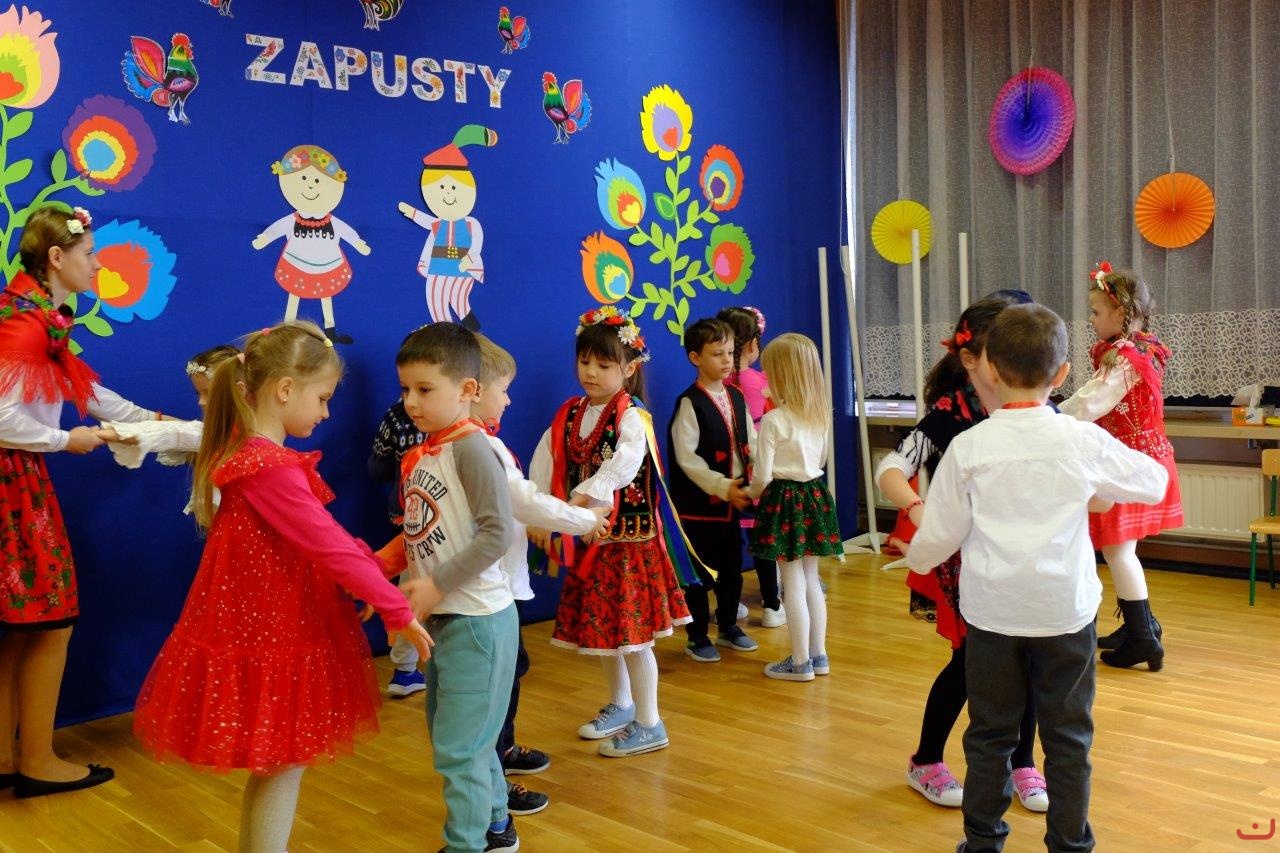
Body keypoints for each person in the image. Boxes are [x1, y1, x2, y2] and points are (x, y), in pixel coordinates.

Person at [133, 321, 432, 852]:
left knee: (278, 764)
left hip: (278, 623)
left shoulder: (252, 455)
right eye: (323, 398)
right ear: (285, 389)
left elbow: (323, 539)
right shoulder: (267, 466)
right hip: (276, 631)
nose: (326, 413)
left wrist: (376, 569)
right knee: (282, 763)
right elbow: (327, 544)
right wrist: (395, 607)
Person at [907, 303, 1168, 853]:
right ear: (1063, 373)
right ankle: (1070, 845)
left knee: (989, 735)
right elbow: (1153, 482)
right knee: (1068, 739)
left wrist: (917, 558)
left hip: (993, 617)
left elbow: (939, 536)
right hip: (1064, 614)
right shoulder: (1079, 440)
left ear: (990, 369)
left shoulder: (969, 447)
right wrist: (1097, 484)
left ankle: (983, 843)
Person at [0, 205, 164, 798]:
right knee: (50, 621)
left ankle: (7, 755)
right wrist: (64, 440)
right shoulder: (25, 325)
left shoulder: (33, 317)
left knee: (20, 627)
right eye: (89, 254)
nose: (96, 265)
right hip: (13, 482)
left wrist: (153, 421)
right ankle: (38, 760)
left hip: (18, 476)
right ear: (56, 258)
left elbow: (85, 389)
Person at [875, 298, 1048, 812]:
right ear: (970, 359)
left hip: (1025, 559)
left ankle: (1023, 761)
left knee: (1028, 660)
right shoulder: (949, 415)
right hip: (969, 564)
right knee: (971, 662)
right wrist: (919, 509)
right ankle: (926, 759)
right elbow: (892, 467)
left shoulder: (1038, 406)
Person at [376, 322, 520, 853]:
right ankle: (497, 826)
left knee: (460, 748)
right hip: (447, 620)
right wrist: (378, 565)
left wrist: (435, 586)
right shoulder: (426, 452)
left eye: (424, 389)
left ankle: (467, 844)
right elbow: (422, 528)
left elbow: (496, 534)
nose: (410, 402)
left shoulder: (473, 449)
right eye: (405, 389)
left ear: (467, 390)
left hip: (477, 622)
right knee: (460, 737)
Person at [528, 306, 691, 758]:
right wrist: (538, 511)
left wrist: (575, 502)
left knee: (633, 638)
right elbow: (546, 459)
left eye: (603, 365)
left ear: (629, 368)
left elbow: (623, 465)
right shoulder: (569, 413)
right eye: (584, 362)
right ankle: (622, 705)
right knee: (608, 633)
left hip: (629, 546)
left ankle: (650, 722)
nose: (590, 372)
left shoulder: (632, 416)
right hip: (593, 543)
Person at [472, 332, 609, 817]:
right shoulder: (481, 448)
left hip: (500, 587)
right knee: (493, 689)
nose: (509, 400)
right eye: (503, 390)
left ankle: (503, 751)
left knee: (509, 675)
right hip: (486, 595)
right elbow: (525, 499)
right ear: (472, 390)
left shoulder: (480, 444)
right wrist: (584, 520)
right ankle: (493, 786)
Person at [1060, 262, 1181, 671]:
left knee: (1118, 549)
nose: (1092, 319)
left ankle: (1144, 637)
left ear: (1120, 312)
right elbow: (1090, 395)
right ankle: (1139, 625)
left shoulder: (1127, 358)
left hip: (1131, 463)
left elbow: (1090, 403)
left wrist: (1047, 416)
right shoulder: (1136, 350)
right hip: (1138, 458)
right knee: (1121, 548)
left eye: (1096, 311)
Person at [747, 333, 844, 682]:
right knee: (811, 579)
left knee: (791, 581)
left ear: (781, 375)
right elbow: (821, 459)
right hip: (815, 496)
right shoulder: (820, 416)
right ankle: (819, 655)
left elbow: (762, 477)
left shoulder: (774, 420)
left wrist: (747, 492)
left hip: (784, 500)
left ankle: (800, 662)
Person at [667, 317, 758, 662]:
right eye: (717, 354)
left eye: (730, 353)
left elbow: (752, 441)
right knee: (700, 574)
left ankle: (728, 626)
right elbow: (687, 459)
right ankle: (697, 636)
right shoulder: (690, 403)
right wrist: (722, 486)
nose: (726, 360)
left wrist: (760, 476)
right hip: (699, 507)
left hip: (732, 504)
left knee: (733, 568)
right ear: (695, 358)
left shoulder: (736, 396)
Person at [718, 305, 783, 628]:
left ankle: (731, 604)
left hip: (725, 474)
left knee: (729, 545)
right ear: (752, 344)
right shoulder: (755, 382)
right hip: (757, 470)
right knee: (764, 542)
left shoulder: (717, 383)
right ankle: (771, 605)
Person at [367, 395, 428, 698]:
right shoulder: (463, 420)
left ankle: (405, 669)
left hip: (408, 516)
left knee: (409, 587)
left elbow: (377, 468)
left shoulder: (395, 414)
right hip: (427, 524)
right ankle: (410, 669)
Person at [99, 344, 240, 472]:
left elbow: (171, 433)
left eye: (210, 393)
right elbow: (172, 433)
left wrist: (99, 435)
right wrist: (103, 434)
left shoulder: (227, 436)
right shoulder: (210, 433)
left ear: (239, 389)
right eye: (198, 393)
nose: (201, 402)